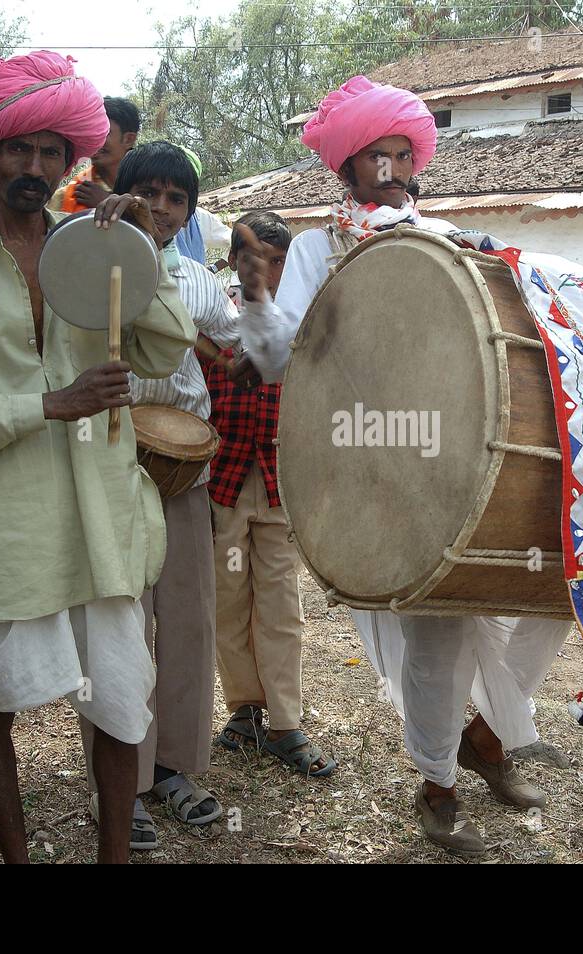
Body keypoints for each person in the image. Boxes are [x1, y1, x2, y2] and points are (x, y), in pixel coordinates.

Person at [234, 75, 574, 856]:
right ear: (346, 168)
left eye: (399, 154)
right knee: (439, 633)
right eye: (371, 157)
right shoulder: (319, 247)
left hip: (472, 452)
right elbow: (282, 356)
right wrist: (256, 300)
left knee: (553, 599)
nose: (387, 170)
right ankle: (438, 786)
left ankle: (484, 738)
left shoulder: (449, 234)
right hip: (377, 467)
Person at [0, 51, 195, 863]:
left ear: (73, 162)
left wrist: (135, 242)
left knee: (121, 707)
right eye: (18, 149)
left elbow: (166, 350)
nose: (34, 167)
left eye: (51, 152)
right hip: (5, 520)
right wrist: (45, 406)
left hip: (103, 517)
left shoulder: (94, 247)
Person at [75, 141, 226, 847]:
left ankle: (173, 767)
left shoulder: (199, 281)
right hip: (111, 463)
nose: (163, 209)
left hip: (183, 468)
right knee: (119, 623)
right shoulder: (91, 257)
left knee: (188, 618)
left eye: (176, 198)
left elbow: (243, 344)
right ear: (123, 194)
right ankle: (122, 783)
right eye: (151, 194)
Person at [208, 211, 336, 778]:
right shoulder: (214, 323)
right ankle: (243, 710)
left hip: (281, 485)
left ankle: (285, 722)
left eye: (280, 260)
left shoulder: (304, 328)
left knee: (281, 604)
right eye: (256, 257)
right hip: (225, 480)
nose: (269, 269)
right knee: (228, 599)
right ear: (236, 262)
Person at [50, 96, 139, 214]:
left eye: (104, 132)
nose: (94, 139)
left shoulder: (150, 189)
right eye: (91, 132)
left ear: (128, 139)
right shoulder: (67, 196)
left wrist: (107, 201)